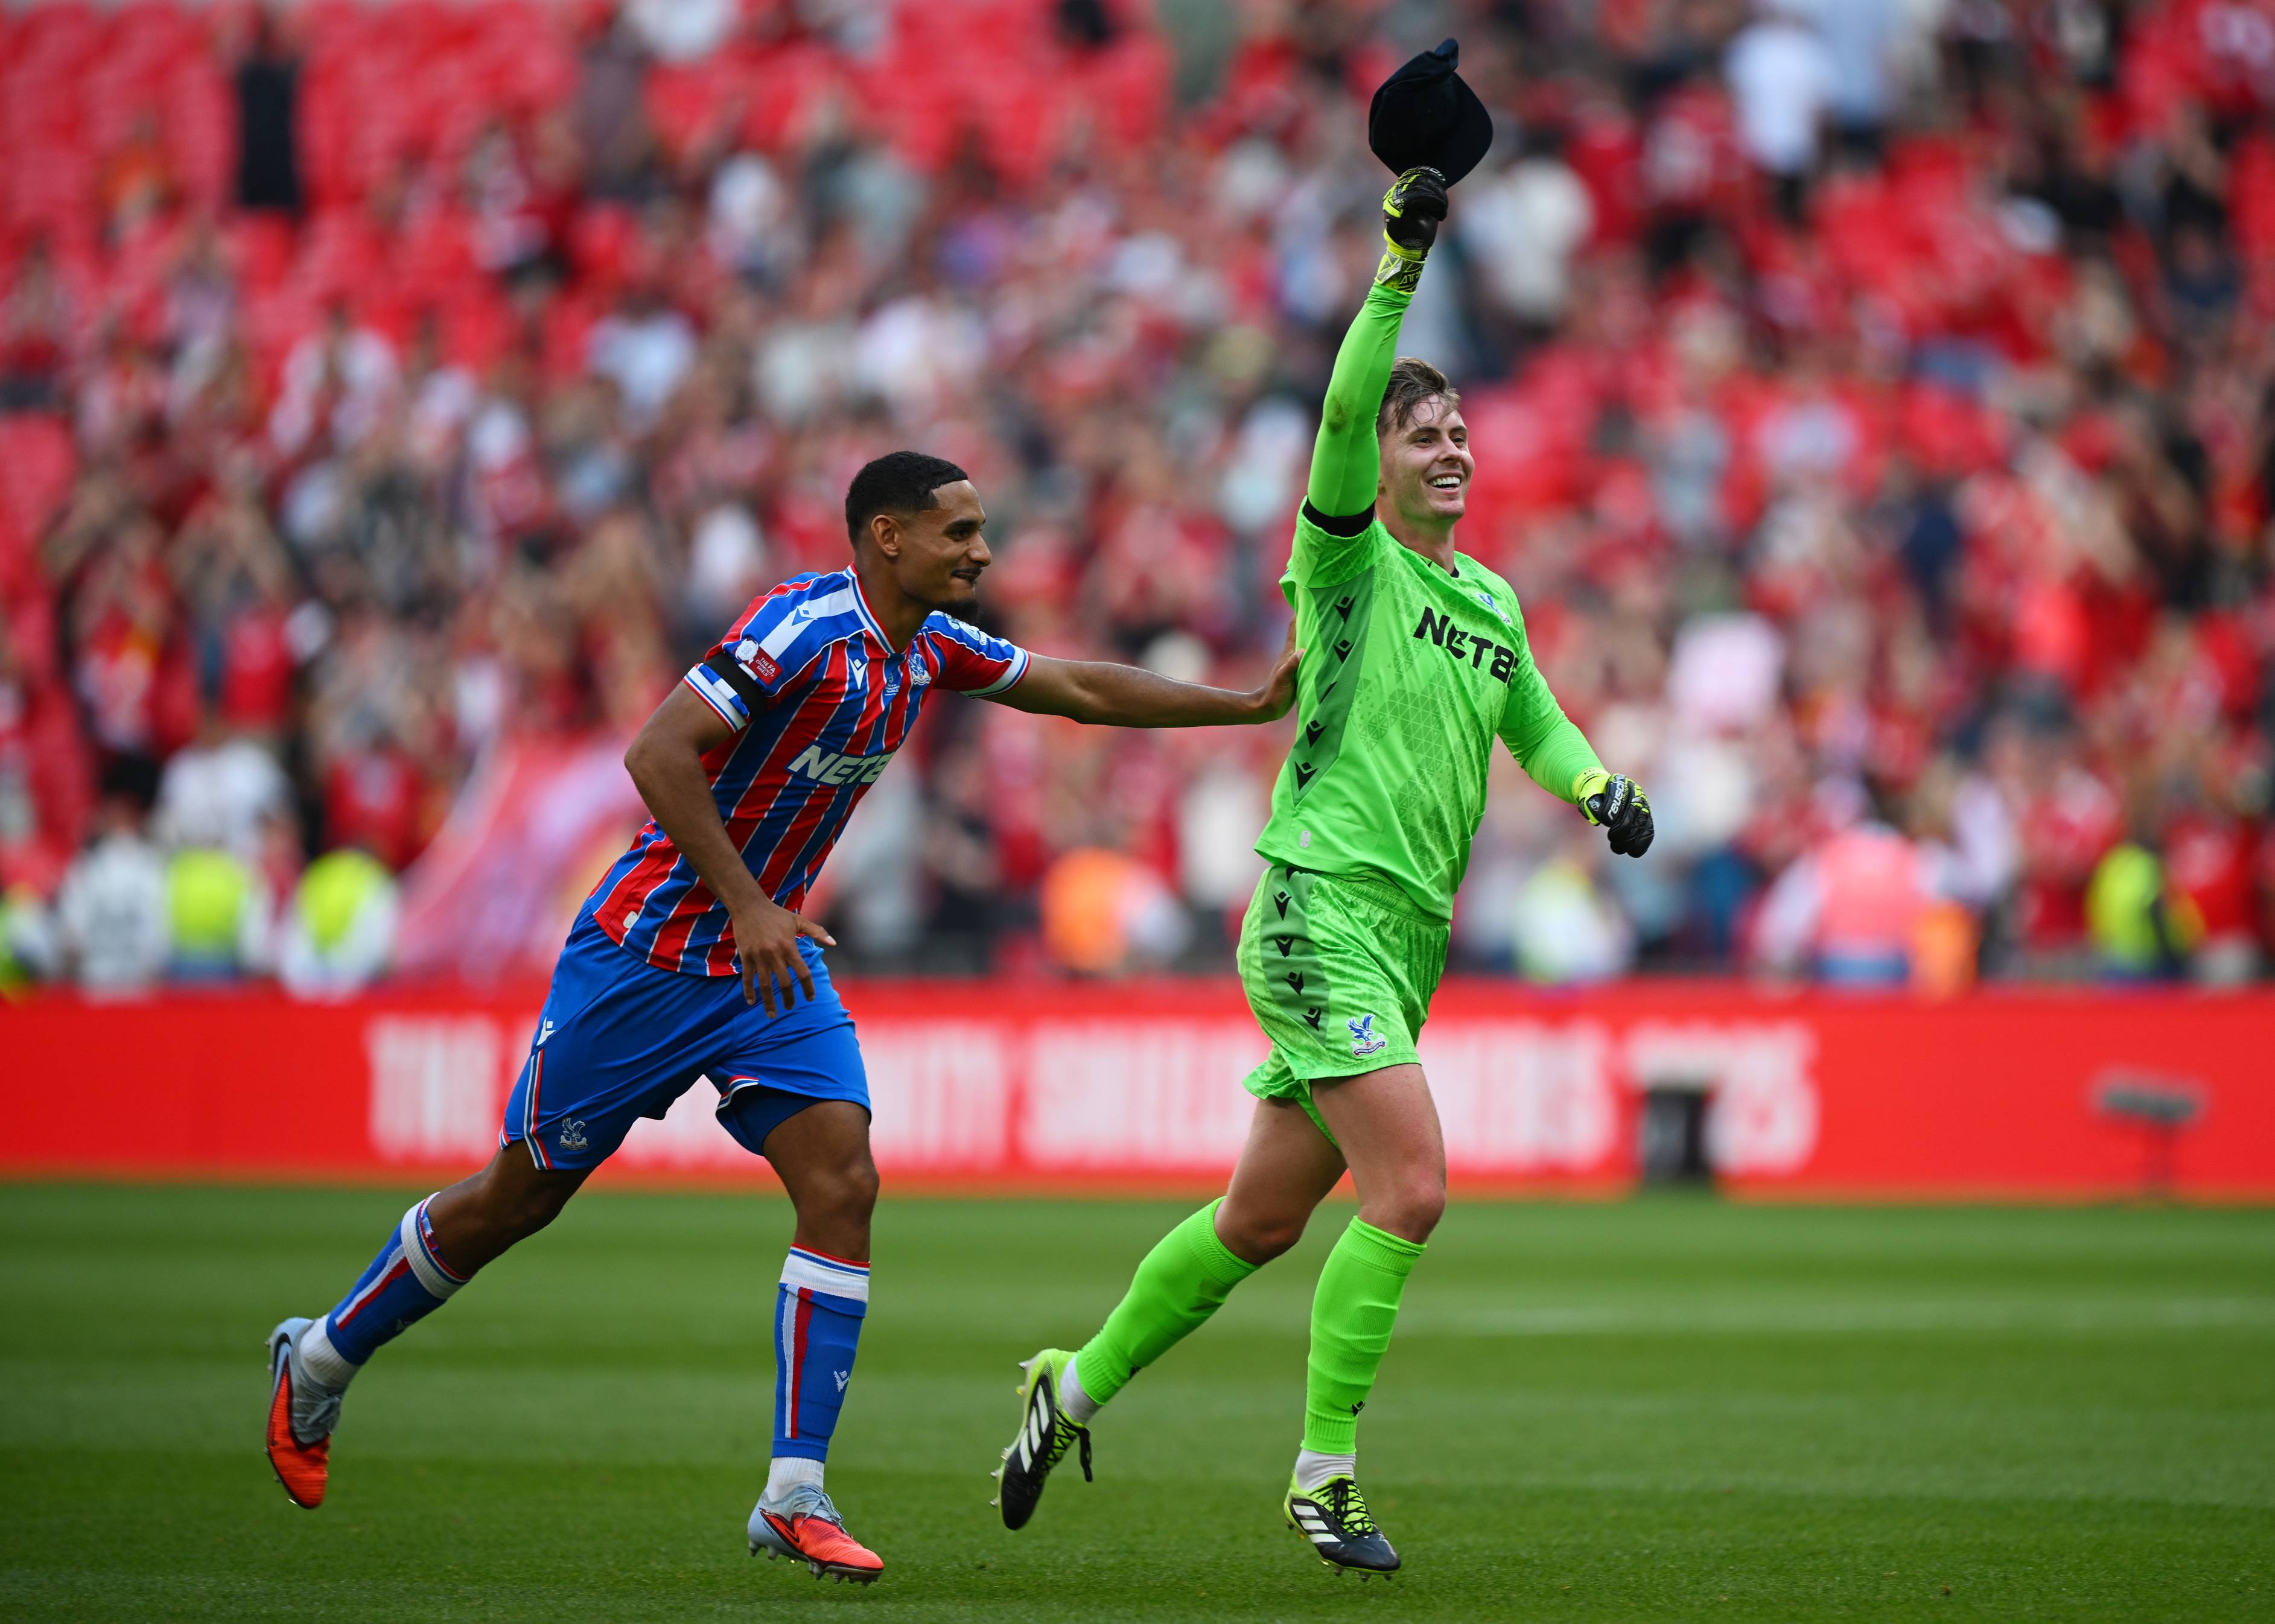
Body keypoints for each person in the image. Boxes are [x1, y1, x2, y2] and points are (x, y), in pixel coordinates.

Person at [262, 451, 1302, 1581]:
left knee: (843, 1179)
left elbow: (1085, 689)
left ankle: (792, 1491)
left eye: (983, 531)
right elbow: (655, 752)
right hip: (647, 956)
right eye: (959, 533)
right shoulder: (798, 627)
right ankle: (320, 1360)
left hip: (768, 970)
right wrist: (751, 902)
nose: (983, 552)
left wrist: (1244, 704)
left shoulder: (935, 646)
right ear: (887, 537)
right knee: (520, 1198)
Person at [994, 168, 1655, 1575]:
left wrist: (1596, 787)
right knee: (1409, 1186)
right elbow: (1344, 412)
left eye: (1461, 430)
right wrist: (1398, 268)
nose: (1453, 449)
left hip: (1402, 937)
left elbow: (1529, 711)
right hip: (1315, 907)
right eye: (1429, 434)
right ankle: (1322, 1476)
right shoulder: (1349, 565)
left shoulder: (1488, 599)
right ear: (1385, 457)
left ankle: (1072, 1383)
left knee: (1260, 1218)